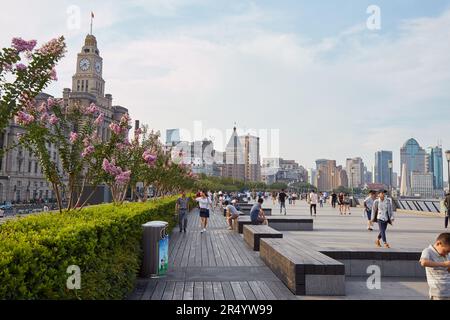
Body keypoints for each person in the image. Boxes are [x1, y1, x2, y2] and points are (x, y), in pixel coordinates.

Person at [420, 233, 450, 300]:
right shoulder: (428, 251)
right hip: (438, 293)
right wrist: (444, 264)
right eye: (446, 251)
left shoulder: (447, 255)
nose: (447, 253)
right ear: (438, 243)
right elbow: (424, 262)